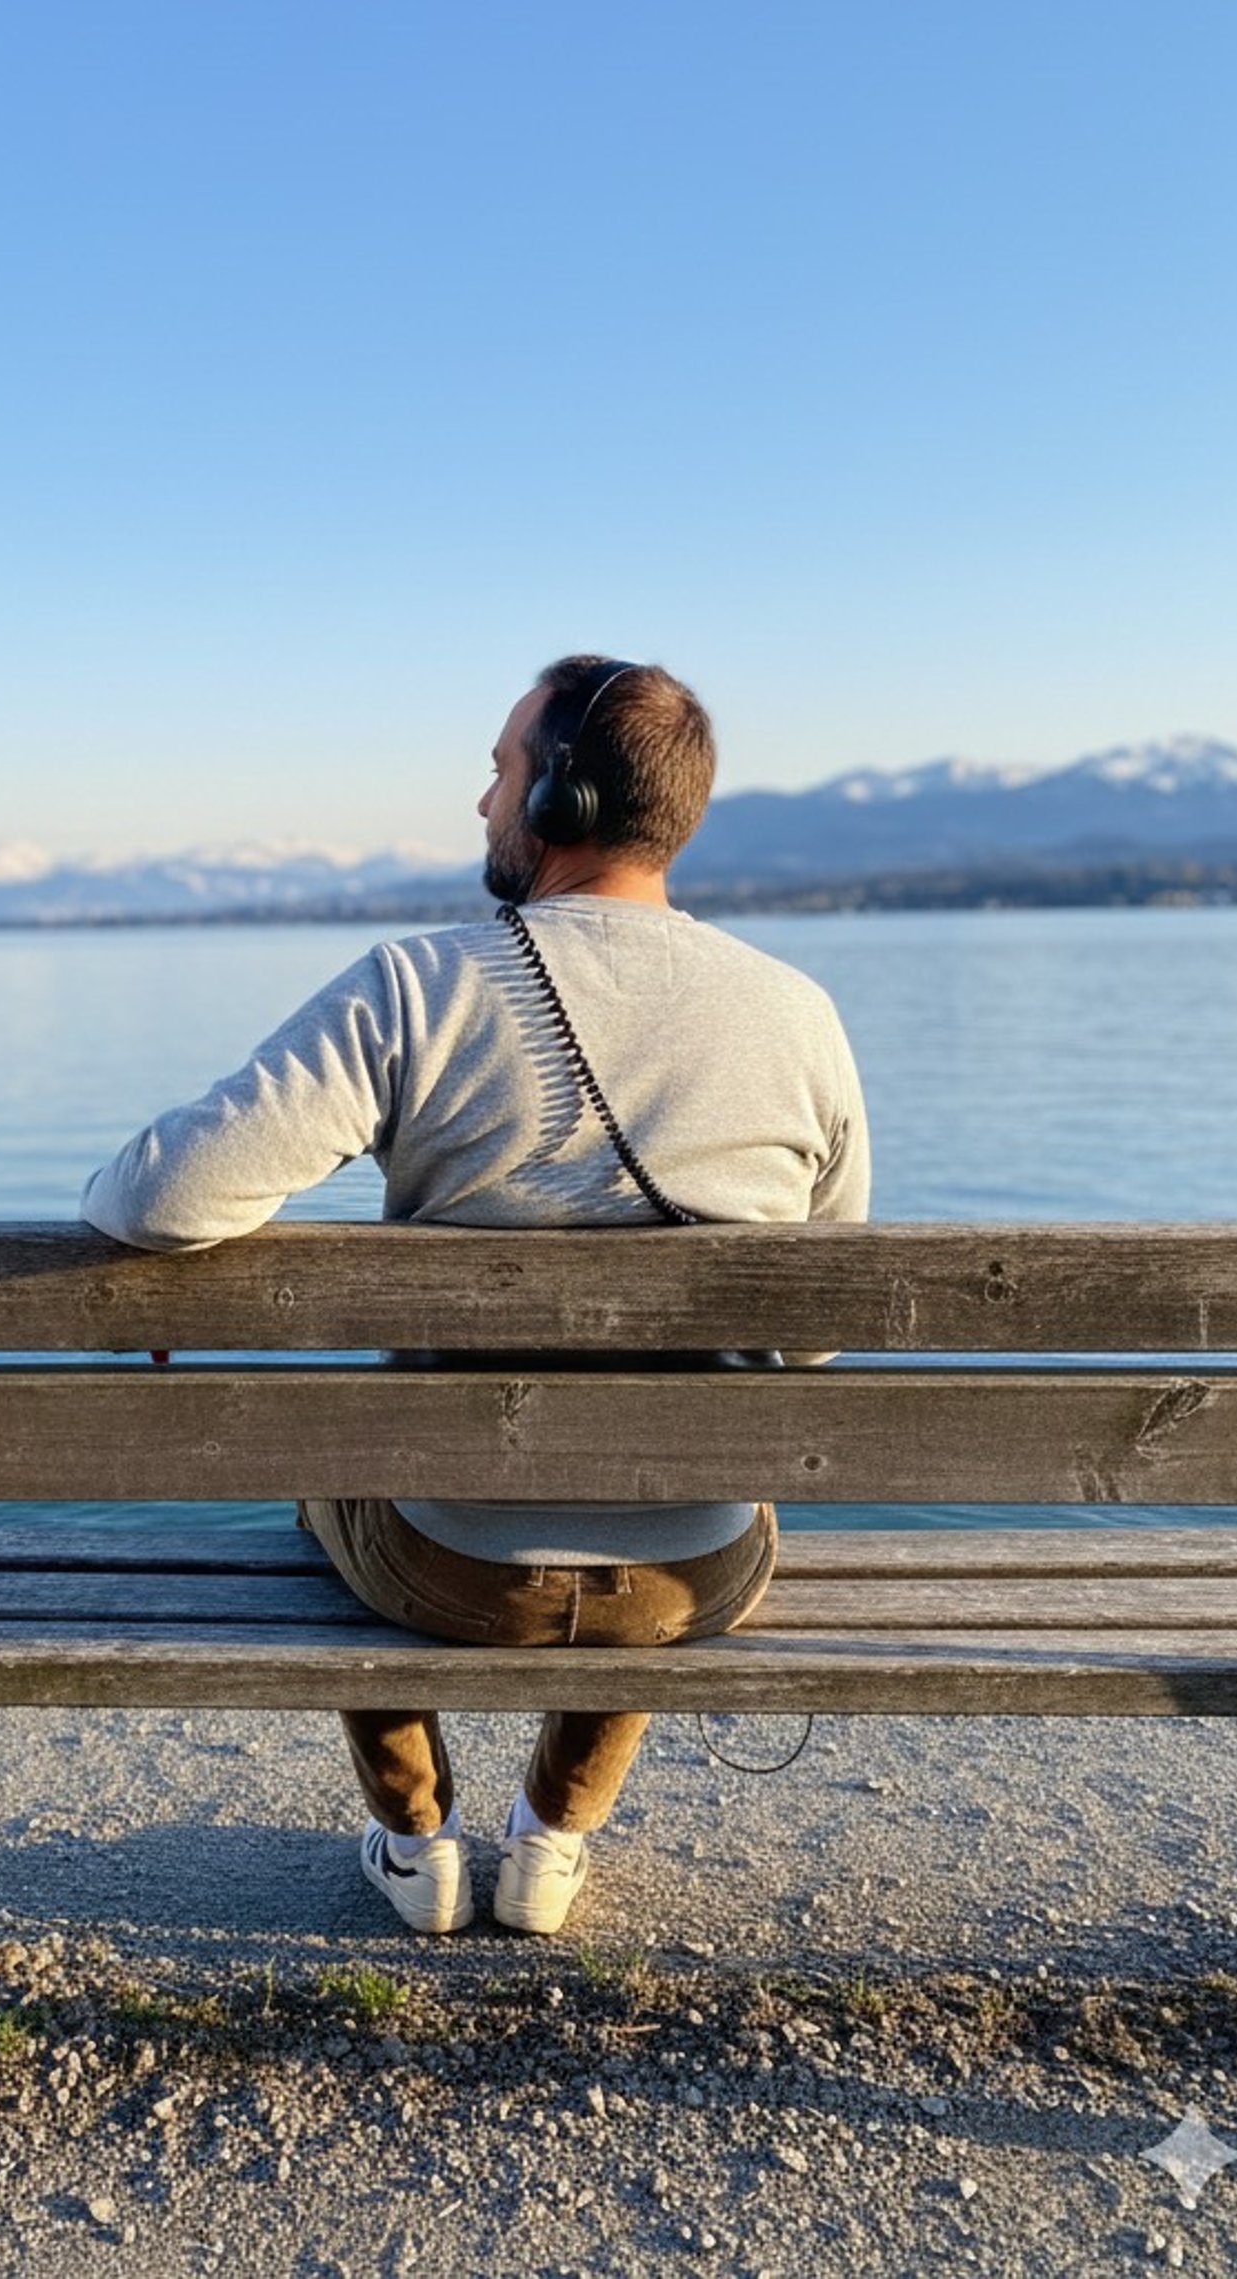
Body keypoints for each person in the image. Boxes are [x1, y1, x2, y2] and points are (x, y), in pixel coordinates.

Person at [81, 655, 869, 1935]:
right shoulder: (799, 1015)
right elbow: (817, 1341)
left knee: (326, 1458)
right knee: (690, 1460)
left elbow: (156, 1198)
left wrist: (173, 1282)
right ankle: (554, 1837)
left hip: (444, 1568)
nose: (484, 801)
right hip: (693, 1578)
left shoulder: (417, 987)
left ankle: (416, 1841)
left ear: (559, 797)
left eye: (501, 769)